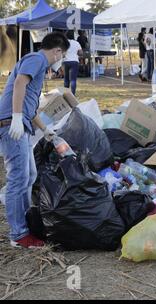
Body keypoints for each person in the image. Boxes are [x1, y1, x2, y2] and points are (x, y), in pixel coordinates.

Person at [0, 32, 69, 248]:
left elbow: (31, 105)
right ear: (57, 51)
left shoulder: (37, 64)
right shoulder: (37, 59)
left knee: (29, 175)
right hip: (12, 125)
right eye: (63, 55)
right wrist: (17, 118)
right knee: (18, 178)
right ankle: (19, 234)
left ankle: (24, 225)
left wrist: (46, 130)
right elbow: (19, 83)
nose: (62, 60)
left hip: (20, 123)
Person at [63, 31, 82, 95]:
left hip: (65, 61)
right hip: (74, 61)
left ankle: (66, 94)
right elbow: (81, 53)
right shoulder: (76, 43)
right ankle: (73, 95)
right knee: (73, 79)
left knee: (66, 79)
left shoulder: (64, 43)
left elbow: (62, 53)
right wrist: (76, 53)